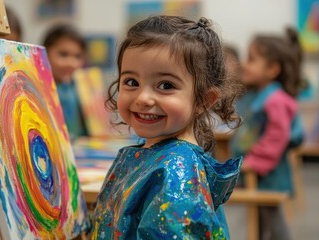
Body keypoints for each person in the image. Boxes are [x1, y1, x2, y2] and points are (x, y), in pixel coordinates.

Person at [91, 15, 243, 239]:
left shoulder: (176, 172)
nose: (143, 98)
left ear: (204, 100)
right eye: (131, 82)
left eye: (165, 85)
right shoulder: (156, 152)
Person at [231, 28, 305, 240]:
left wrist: (256, 162)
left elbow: (277, 135)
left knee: (273, 218)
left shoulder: (275, 99)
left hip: (268, 172)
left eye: (252, 59)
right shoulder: (258, 94)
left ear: (272, 68)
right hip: (257, 170)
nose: (245, 63)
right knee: (259, 218)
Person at [42, 24, 88, 141]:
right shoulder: (40, 88)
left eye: (77, 56)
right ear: (45, 52)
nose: (71, 62)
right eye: (63, 54)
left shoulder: (79, 87)